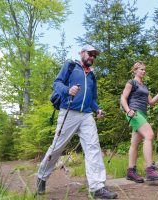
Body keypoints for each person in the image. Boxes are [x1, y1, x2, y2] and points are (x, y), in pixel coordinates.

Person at [37, 45, 118, 199]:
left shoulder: (92, 76)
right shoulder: (71, 66)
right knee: (57, 147)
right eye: (90, 54)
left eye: (94, 56)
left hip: (87, 115)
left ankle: (97, 187)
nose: (92, 57)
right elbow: (56, 83)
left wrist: (98, 109)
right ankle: (41, 177)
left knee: (93, 148)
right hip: (69, 111)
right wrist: (68, 90)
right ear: (82, 53)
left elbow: (93, 99)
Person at [120, 61, 158, 183]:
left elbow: (151, 102)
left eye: (144, 69)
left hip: (143, 114)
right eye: (141, 69)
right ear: (135, 70)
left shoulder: (144, 86)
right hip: (134, 112)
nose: (143, 71)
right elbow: (123, 98)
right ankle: (150, 170)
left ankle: (131, 171)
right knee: (149, 135)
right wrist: (128, 110)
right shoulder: (131, 83)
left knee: (135, 143)